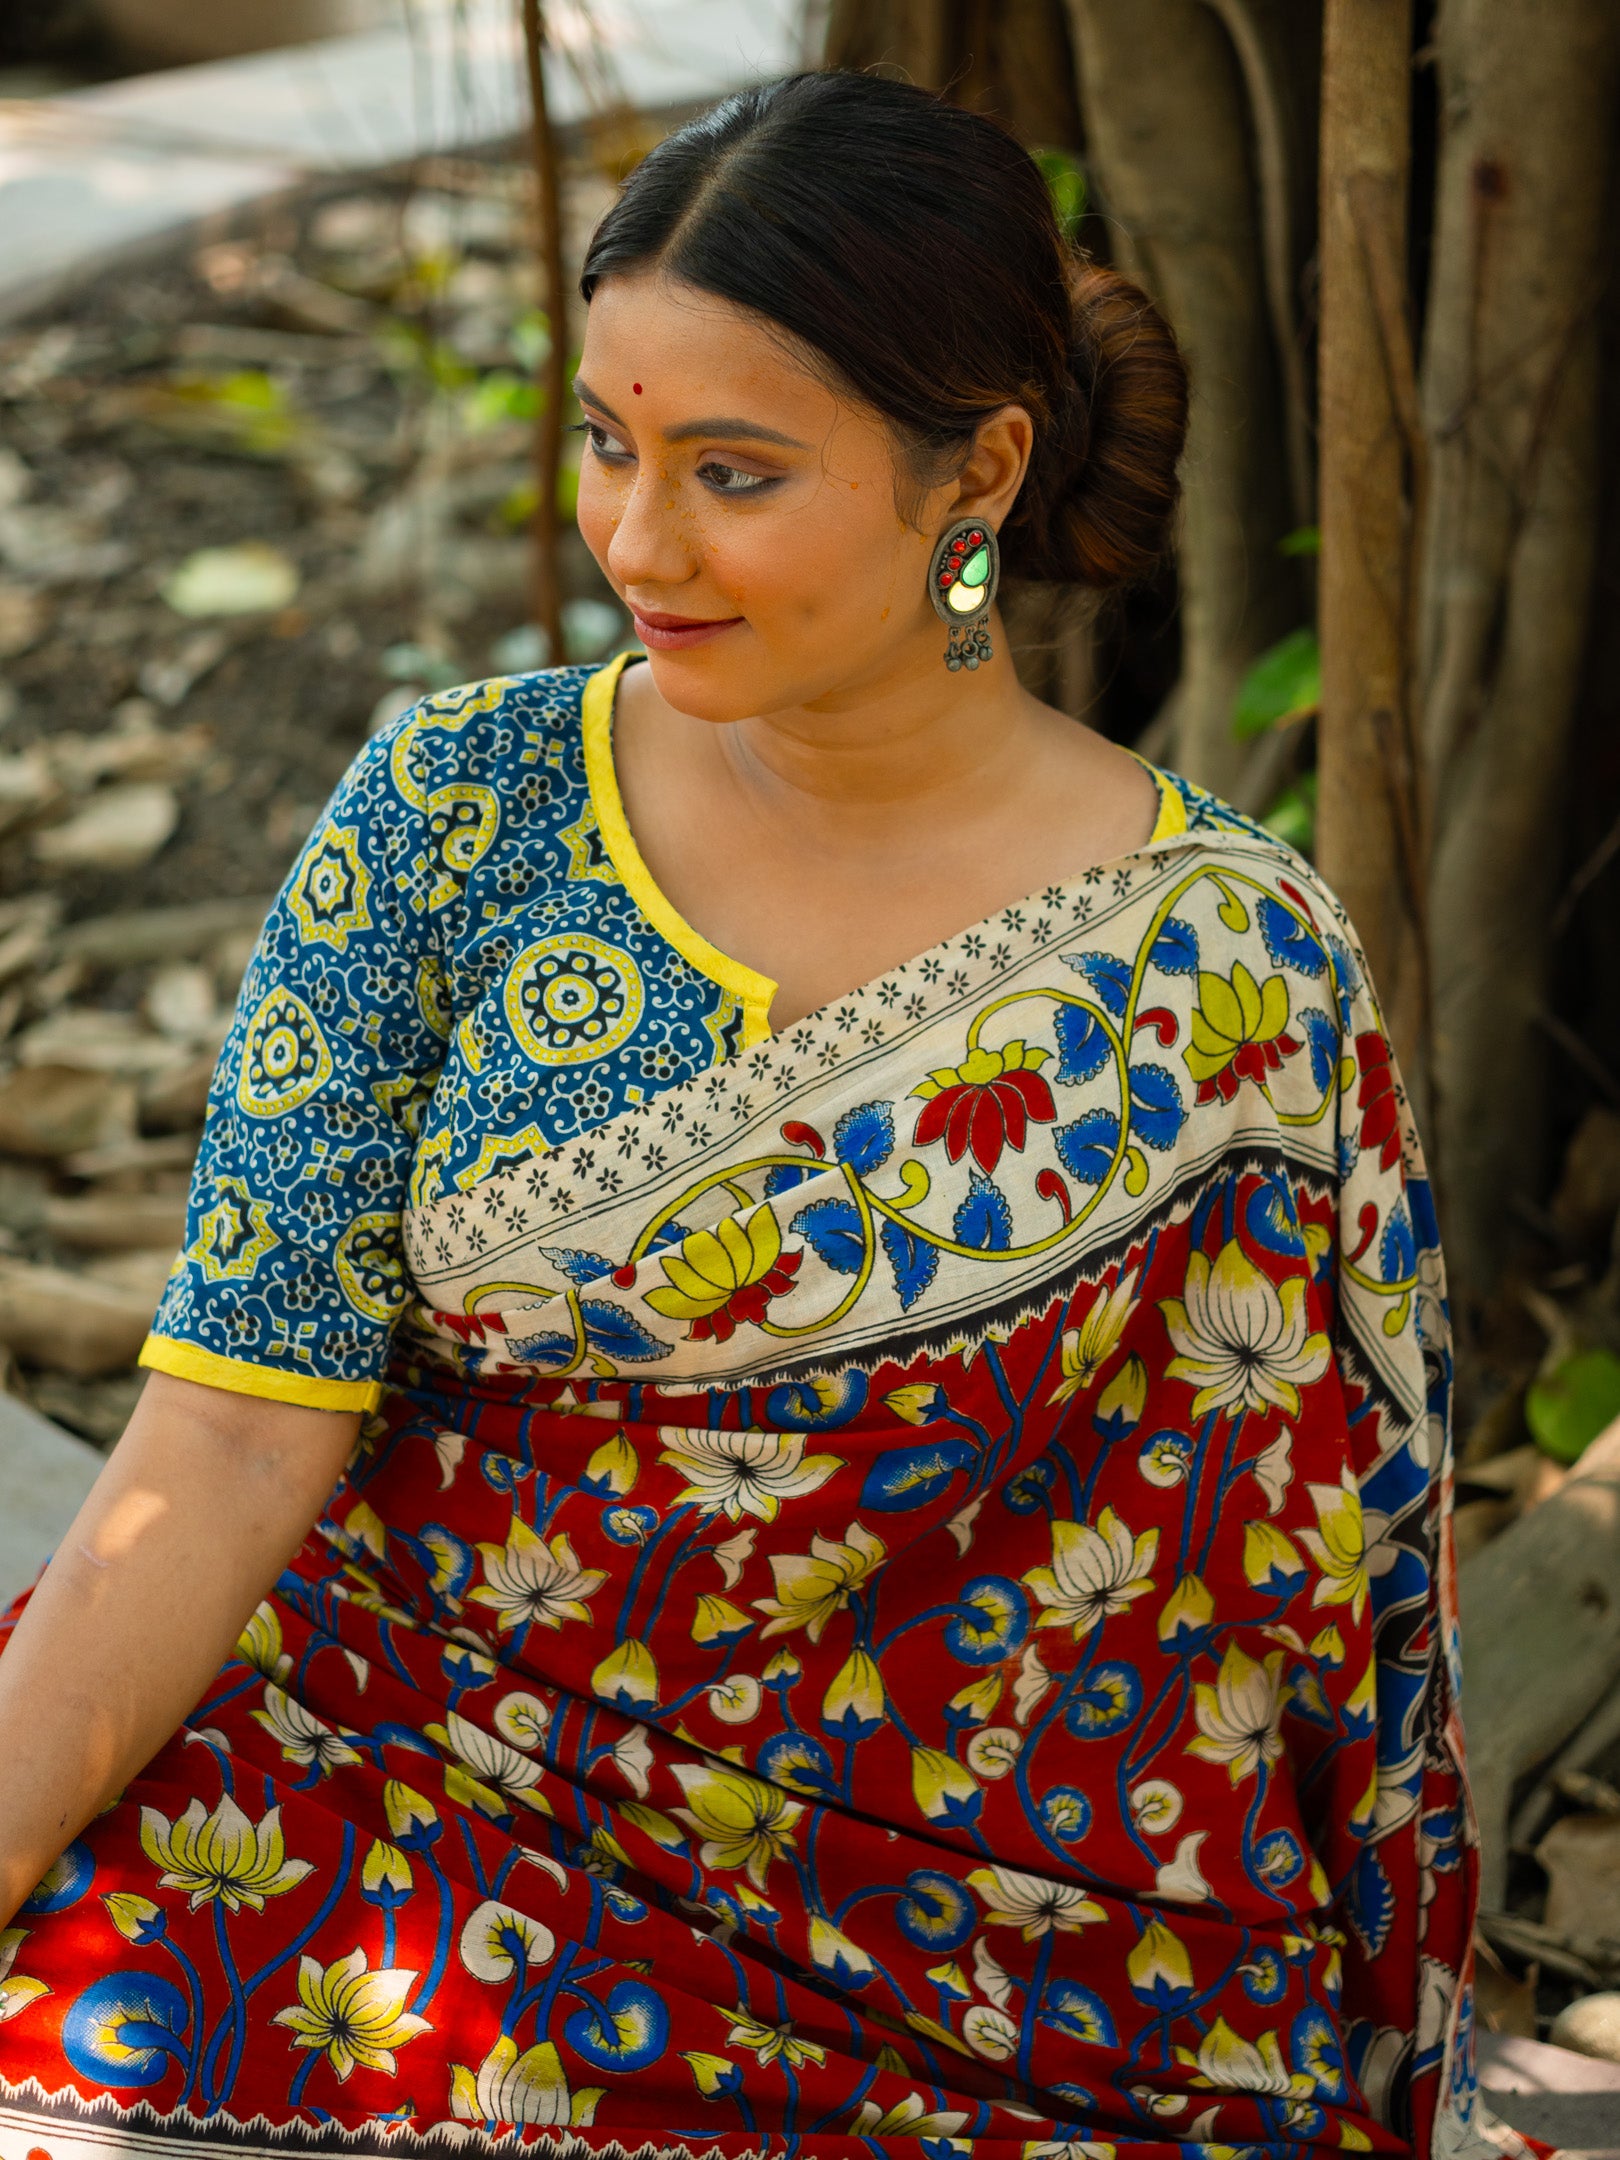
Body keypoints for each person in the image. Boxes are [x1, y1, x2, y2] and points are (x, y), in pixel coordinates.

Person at [0, 69, 1494, 2160]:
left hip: (1017, 1990)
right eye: (607, 444)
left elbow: (1288, 1639)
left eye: (734, 471)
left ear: (976, 472)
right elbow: (242, 1420)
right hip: (393, 1821)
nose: (635, 540)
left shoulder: (1222, 975)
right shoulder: (459, 815)